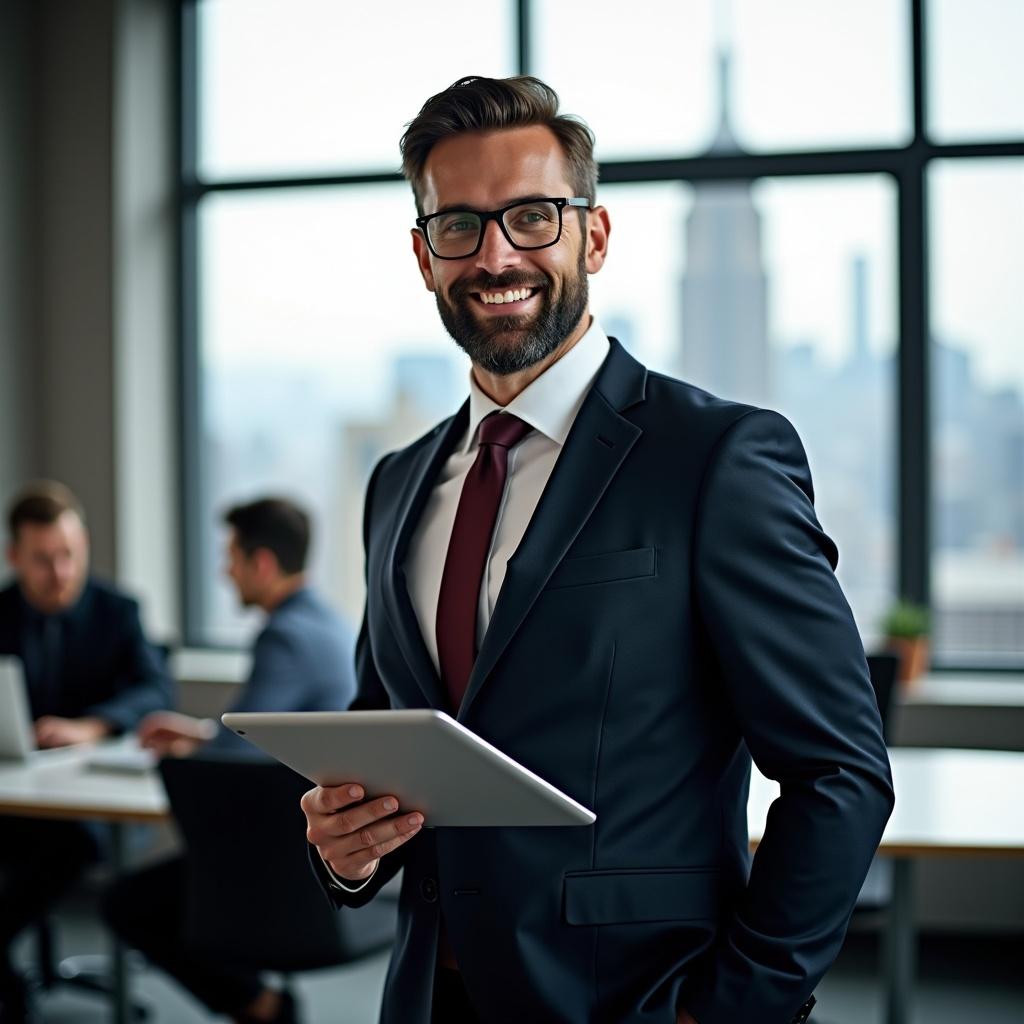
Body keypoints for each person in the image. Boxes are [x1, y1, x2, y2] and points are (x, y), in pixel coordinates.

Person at [301, 76, 894, 1024]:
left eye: (531, 216)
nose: (496, 255)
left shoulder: (716, 460)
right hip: (426, 998)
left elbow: (841, 775)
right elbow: (393, 733)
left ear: (595, 235)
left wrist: (732, 1010)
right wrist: (348, 844)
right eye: (458, 226)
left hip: (636, 999)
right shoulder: (398, 482)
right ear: (423, 256)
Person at [104, 496, 356, 1024]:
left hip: (285, 864)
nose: (225, 571)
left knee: (126, 903)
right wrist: (199, 734)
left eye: (231, 558)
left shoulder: (284, 637)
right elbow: (268, 735)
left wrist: (191, 752)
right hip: (320, 848)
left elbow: (233, 758)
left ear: (262, 563)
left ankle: (263, 1007)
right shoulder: (326, 623)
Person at [0, 480, 173, 1023]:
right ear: (14, 557)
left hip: (92, 808)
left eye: (69, 555)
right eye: (43, 560)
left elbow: (156, 691)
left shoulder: (117, 611)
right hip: (17, 793)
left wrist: (91, 727)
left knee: (59, 847)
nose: (60, 573)